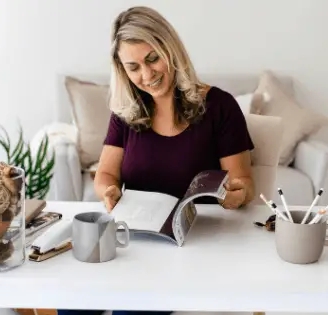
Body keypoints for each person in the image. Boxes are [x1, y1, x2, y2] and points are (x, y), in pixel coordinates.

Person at [57, 6, 255, 315]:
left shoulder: (220, 106)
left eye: (152, 59)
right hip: (133, 241)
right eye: (133, 67)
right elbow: (106, 174)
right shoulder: (126, 110)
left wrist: (235, 196)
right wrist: (108, 191)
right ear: (122, 70)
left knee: (130, 311)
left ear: (170, 49)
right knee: (74, 305)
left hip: (191, 246)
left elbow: (244, 182)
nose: (146, 75)